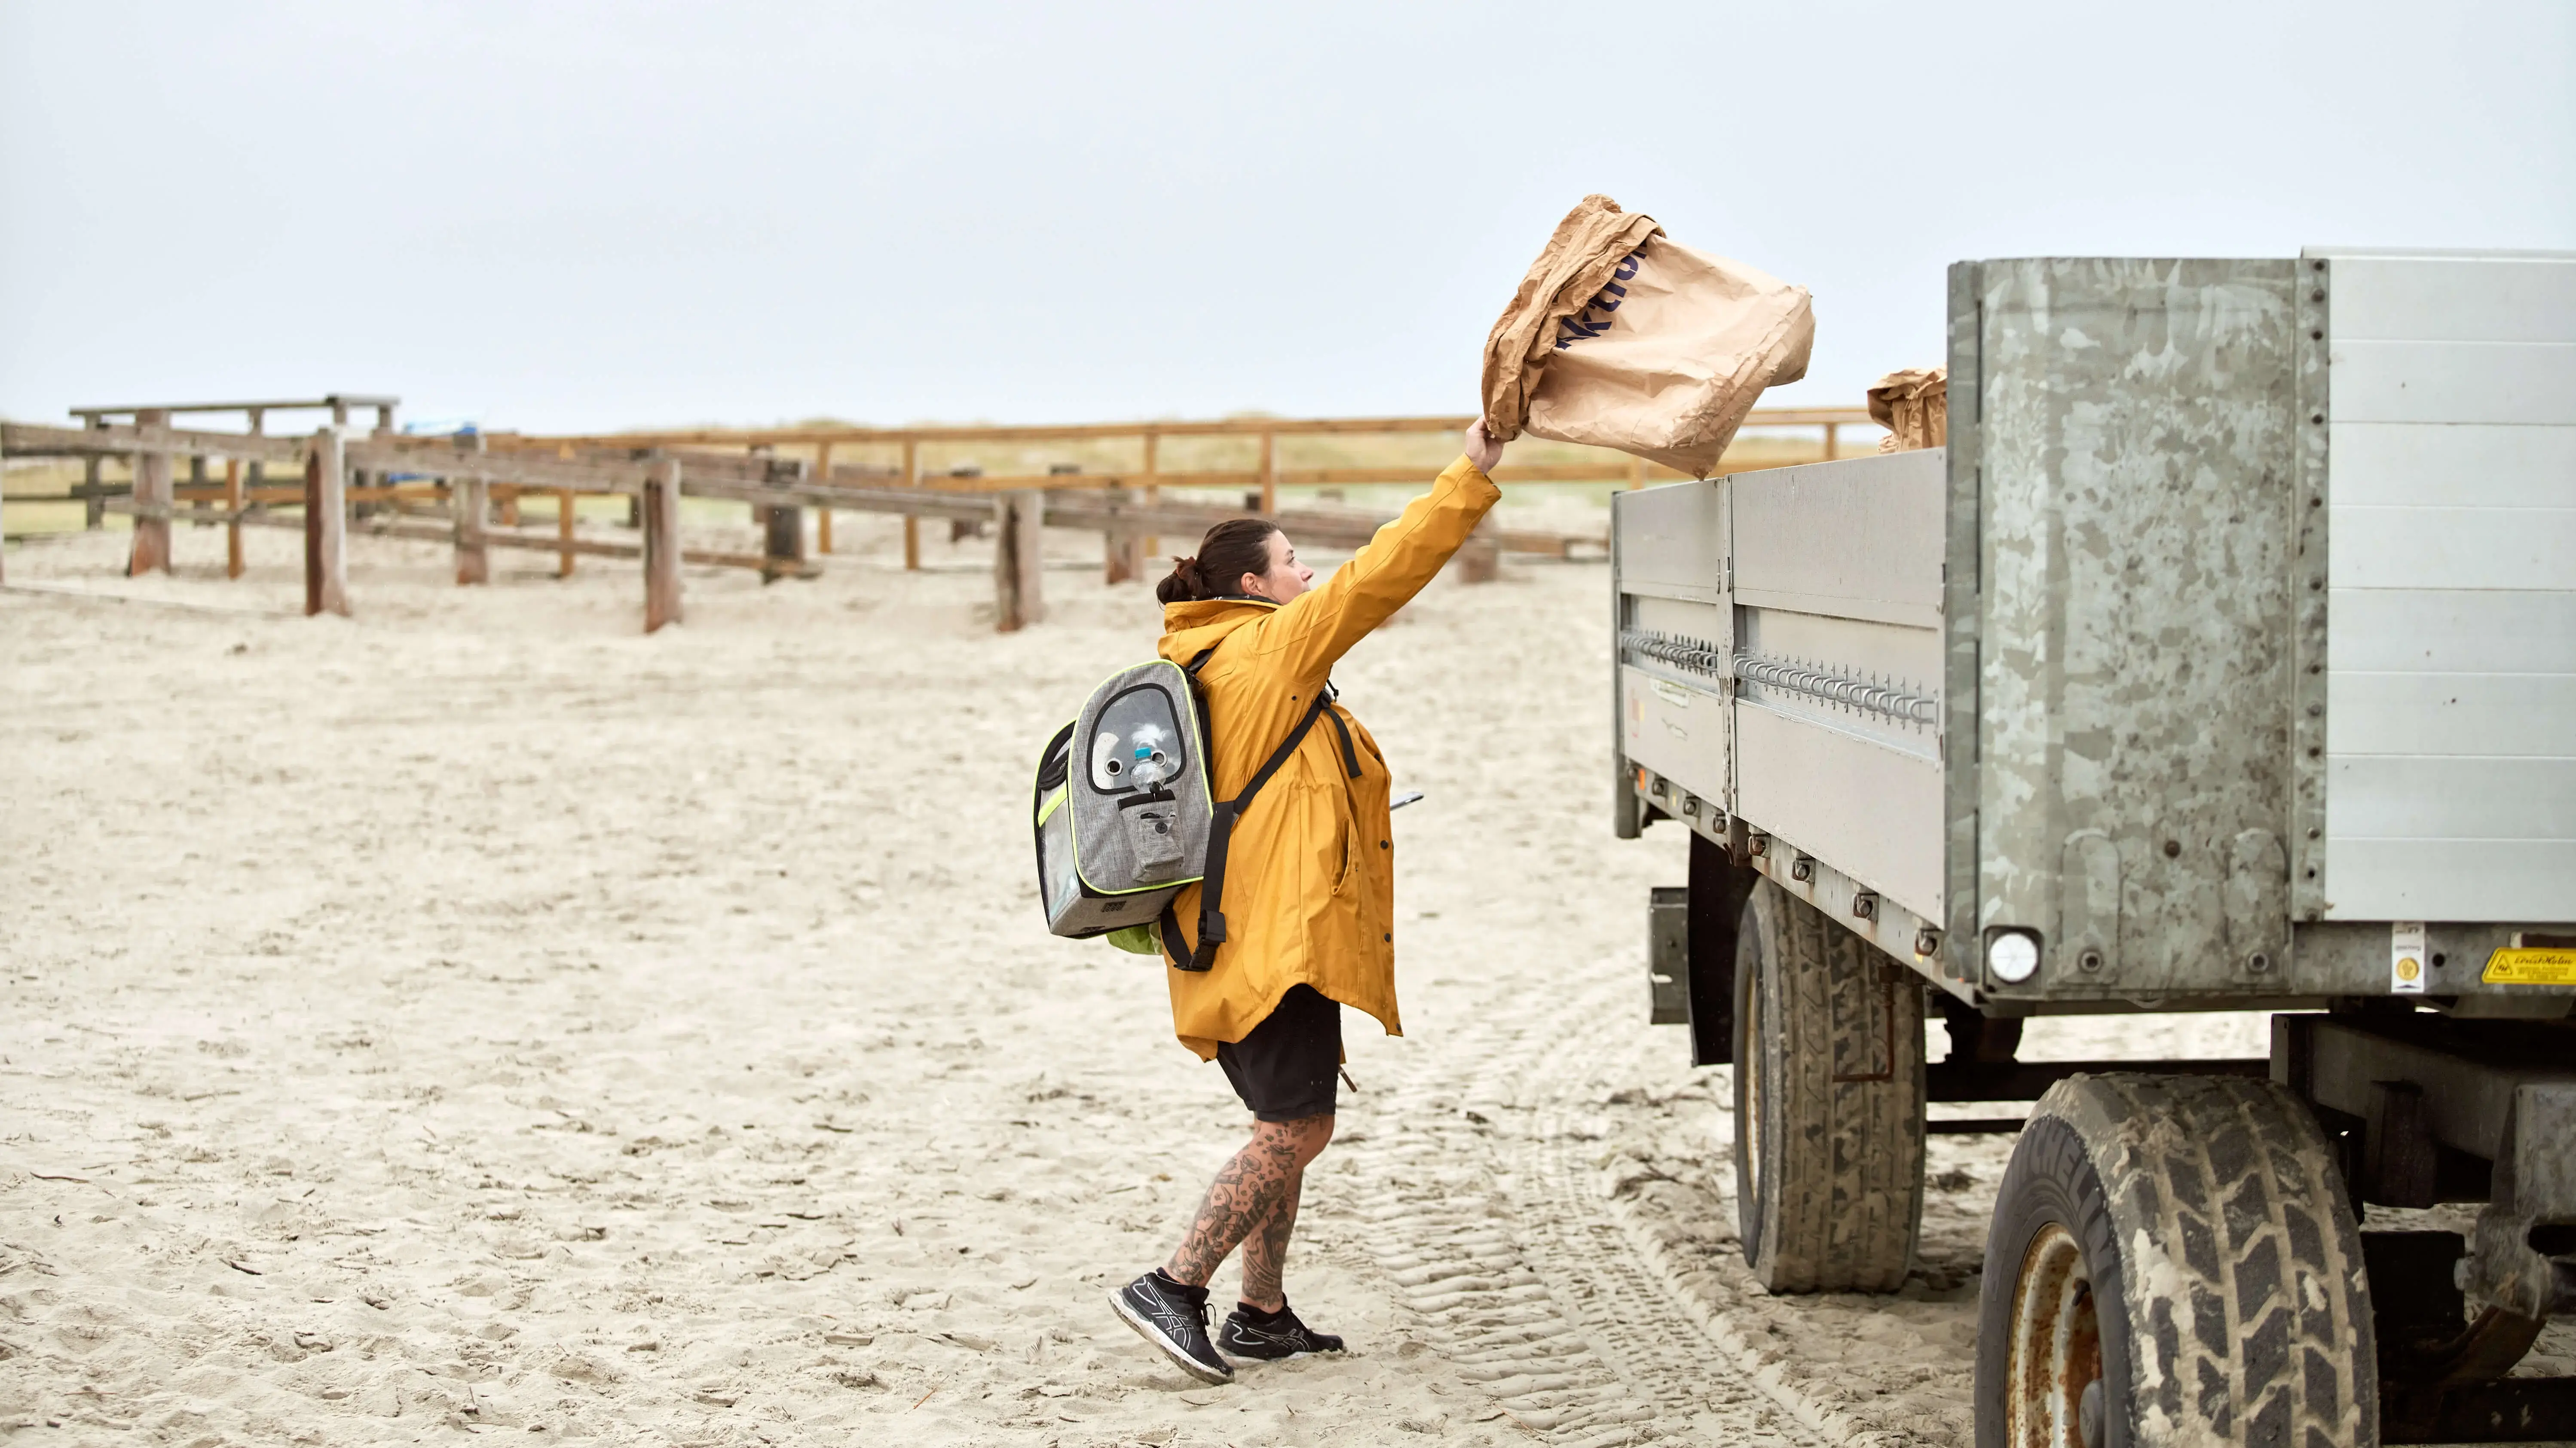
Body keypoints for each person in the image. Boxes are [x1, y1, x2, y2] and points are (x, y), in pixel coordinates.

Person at [1109, 419, 1507, 1384]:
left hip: (1231, 926)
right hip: (1268, 935)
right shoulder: (1270, 650)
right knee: (1297, 1129)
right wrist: (1471, 471)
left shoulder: (1206, 657)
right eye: (1293, 562)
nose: (1309, 574)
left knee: (1282, 1121)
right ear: (1254, 585)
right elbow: (1383, 573)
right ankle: (1172, 1284)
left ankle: (1261, 1311)